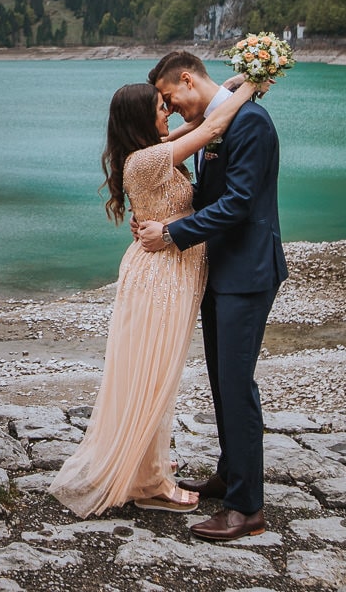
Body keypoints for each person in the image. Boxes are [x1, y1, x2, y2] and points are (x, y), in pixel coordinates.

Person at [49, 77, 263, 519]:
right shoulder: (146, 161)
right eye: (161, 108)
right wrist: (256, 84)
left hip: (172, 273)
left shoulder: (154, 151)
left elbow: (201, 119)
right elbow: (212, 126)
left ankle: (146, 463)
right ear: (140, 118)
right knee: (151, 374)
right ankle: (148, 483)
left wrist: (228, 83)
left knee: (153, 372)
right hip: (160, 278)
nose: (169, 113)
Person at [136, 50, 286, 542]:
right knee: (223, 382)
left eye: (168, 96)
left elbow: (239, 203)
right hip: (221, 271)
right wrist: (169, 217)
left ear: (186, 79)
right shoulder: (220, 121)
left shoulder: (251, 124)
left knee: (237, 386)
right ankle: (230, 475)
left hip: (247, 272)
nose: (170, 106)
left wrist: (174, 235)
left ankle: (247, 509)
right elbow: (208, 193)